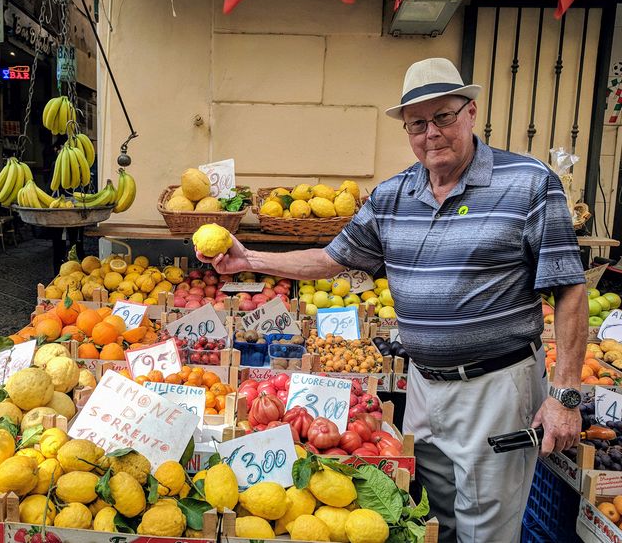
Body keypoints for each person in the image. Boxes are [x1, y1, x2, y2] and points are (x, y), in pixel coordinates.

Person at [196, 58, 587, 542]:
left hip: (497, 387)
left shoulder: (527, 183)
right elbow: (329, 260)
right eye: (417, 123)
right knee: (432, 519)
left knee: (485, 530)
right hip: (423, 386)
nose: (431, 133)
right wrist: (248, 257)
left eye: (443, 117)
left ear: (471, 112)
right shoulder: (392, 196)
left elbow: (570, 289)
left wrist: (565, 396)